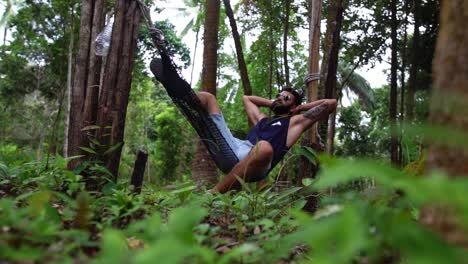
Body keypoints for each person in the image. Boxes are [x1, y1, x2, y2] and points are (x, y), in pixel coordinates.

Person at [195, 88, 337, 193]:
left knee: (263, 147)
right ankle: (179, 95)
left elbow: (331, 103)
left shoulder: (294, 123)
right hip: (236, 148)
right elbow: (247, 98)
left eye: (286, 97)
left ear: (293, 107)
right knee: (208, 98)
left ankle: (213, 193)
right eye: (278, 95)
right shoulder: (261, 119)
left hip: (260, 162)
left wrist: (299, 108)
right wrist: (277, 102)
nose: (280, 98)